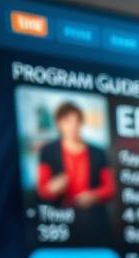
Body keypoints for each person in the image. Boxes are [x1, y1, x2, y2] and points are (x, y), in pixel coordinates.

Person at [36, 100, 116, 244]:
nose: (73, 126)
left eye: (76, 121)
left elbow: (110, 188)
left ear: (81, 123)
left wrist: (94, 196)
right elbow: (42, 190)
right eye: (67, 121)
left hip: (93, 221)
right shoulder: (48, 151)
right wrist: (52, 188)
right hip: (59, 222)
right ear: (59, 123)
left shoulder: (98, 152)